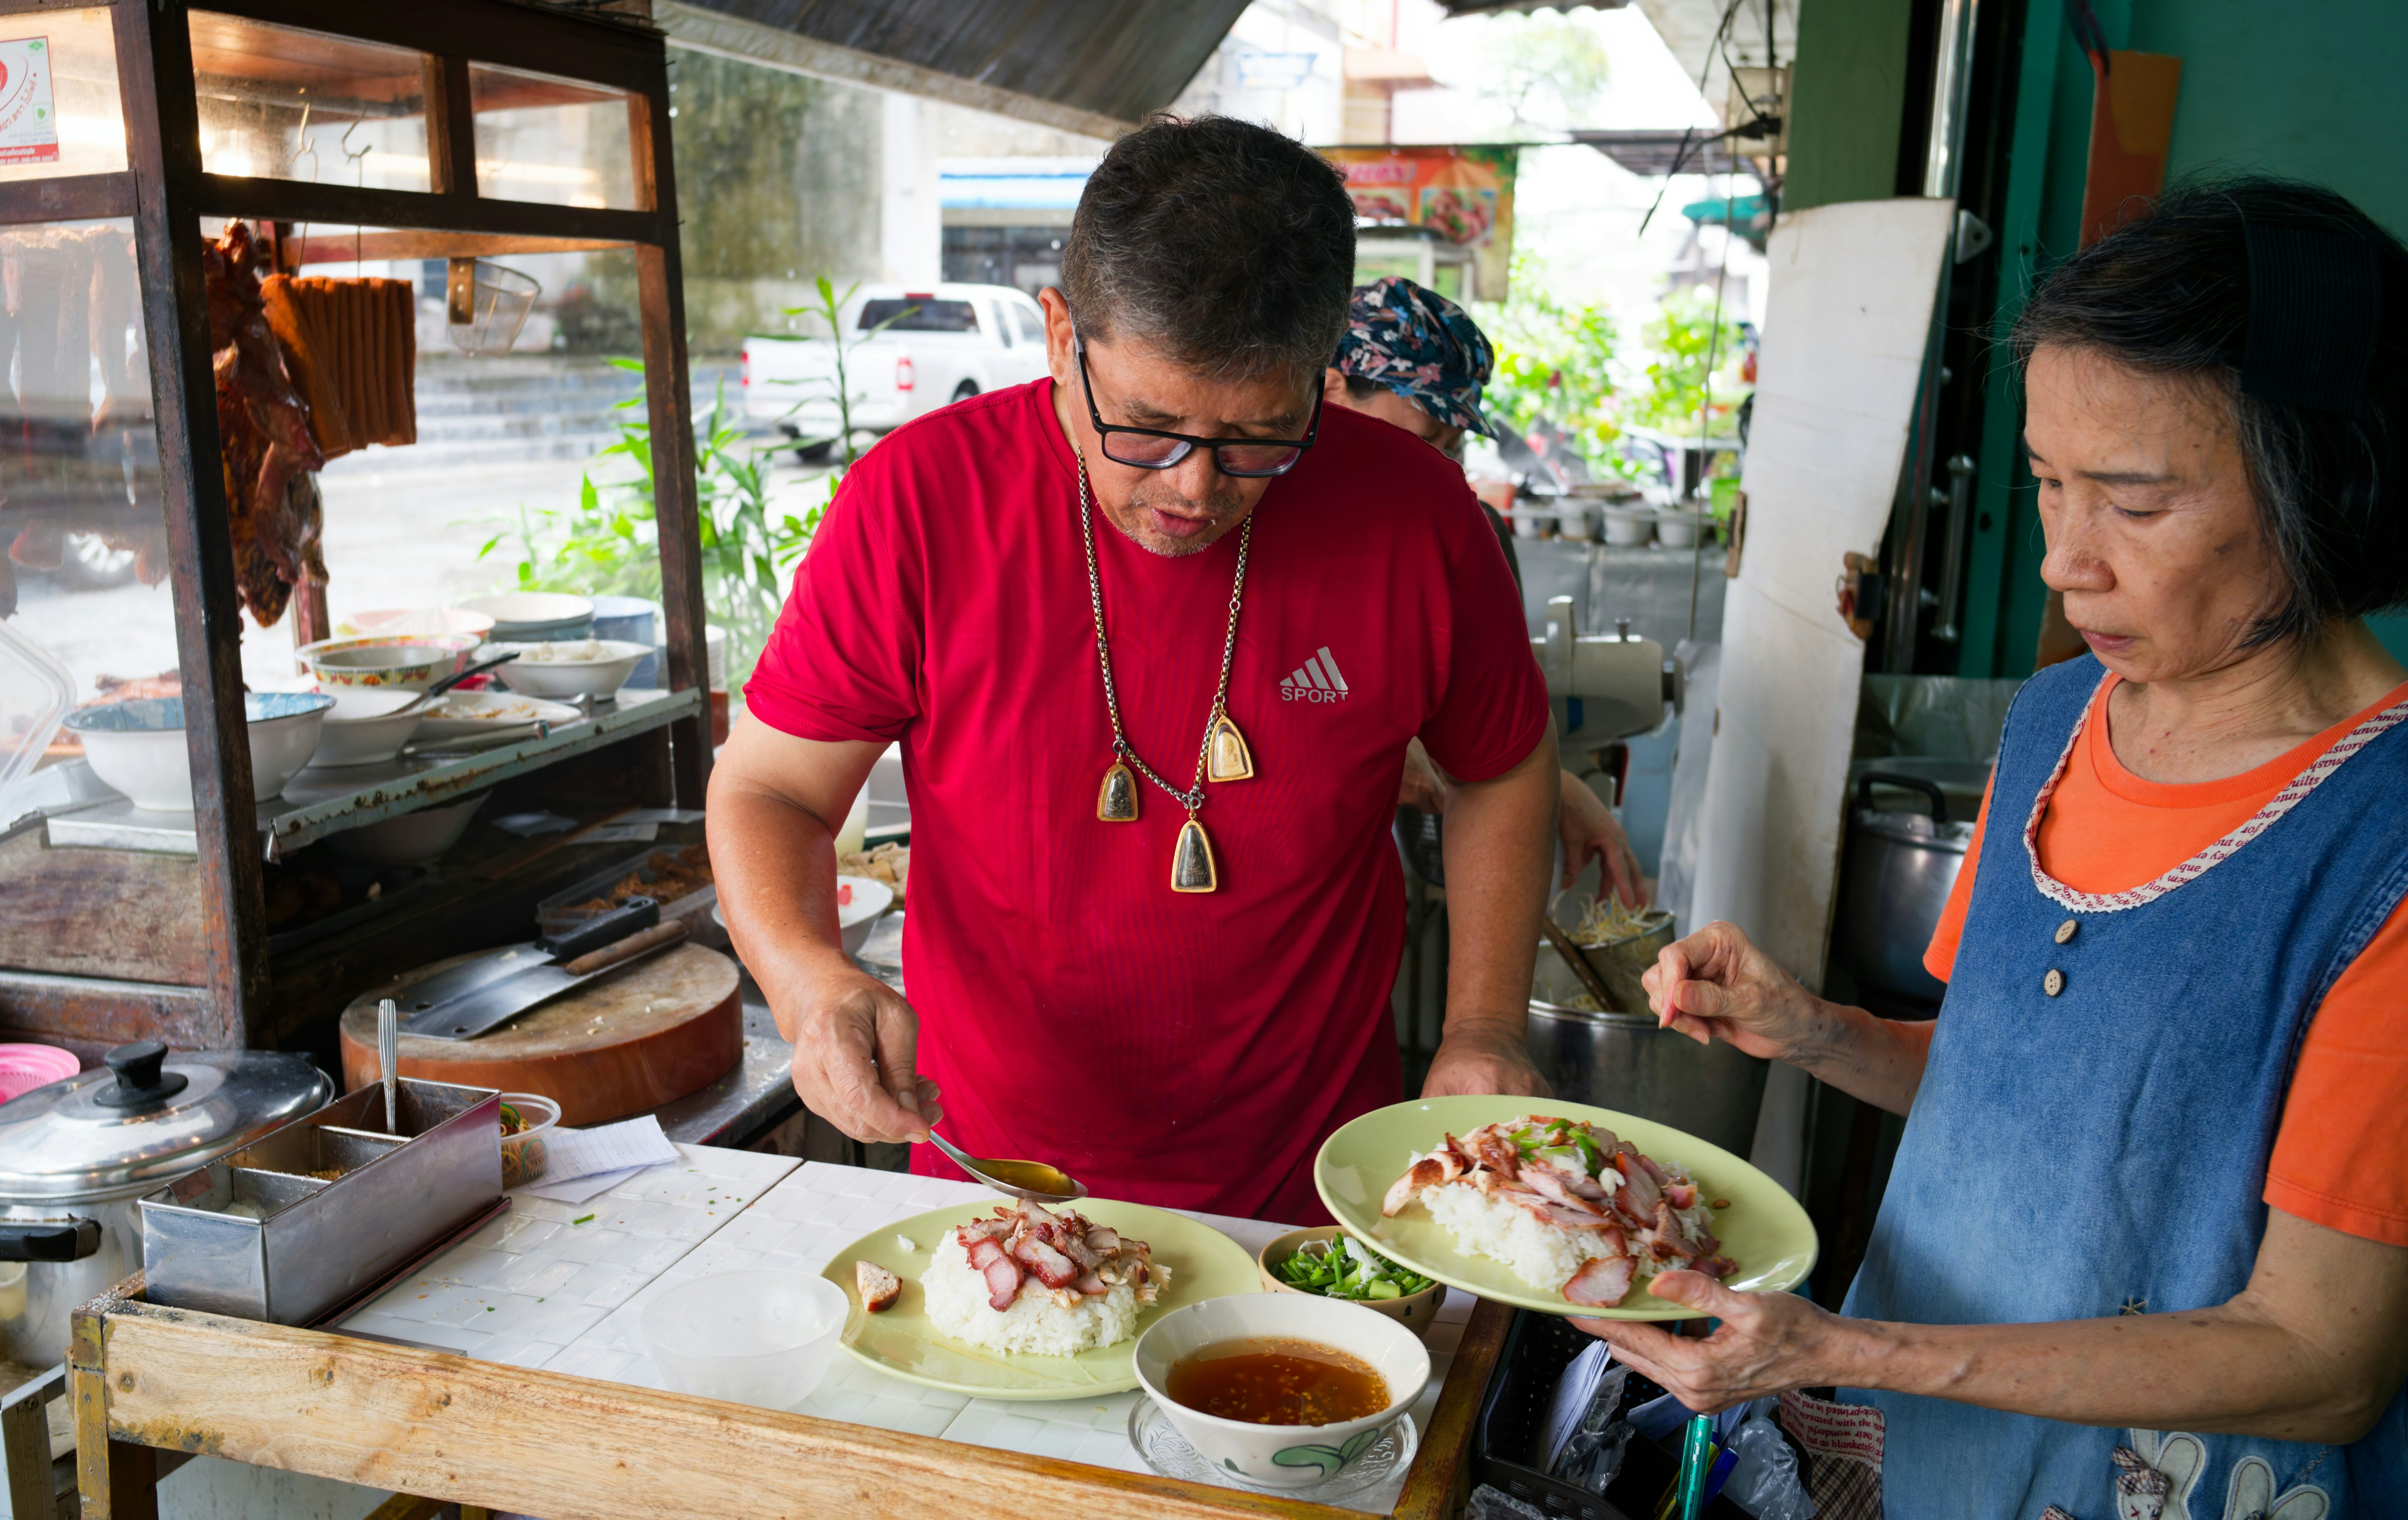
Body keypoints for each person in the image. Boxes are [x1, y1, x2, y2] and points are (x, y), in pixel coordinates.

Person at [1582, 181, 2408, 1515]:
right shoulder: (2055, 724)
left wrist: (1846, 1347)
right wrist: (1813, 1032)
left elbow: (2323, 1360)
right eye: (2047, 486)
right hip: (1938, 1459)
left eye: (2134, 506)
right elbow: (2016, 1101)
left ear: (2327, 486)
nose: (2063, 564)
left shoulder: (2383, 846)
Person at [708, 115, 1558, 1222]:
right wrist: (808, 980)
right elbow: (770, 786)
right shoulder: (919, 503)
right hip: (997, 1178)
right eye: (1148, 429)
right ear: (1062, 334)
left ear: (1320, 371)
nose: (1196, 491)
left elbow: (1501, 764)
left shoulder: (1419, 515)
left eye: (1259, 436)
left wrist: (1484, 1027)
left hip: (1322, 1183)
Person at [1328, 274, 1646, 906]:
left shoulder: (1466, 538)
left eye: (1451, 451)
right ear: (1333, 391)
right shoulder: (1256, 522)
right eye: (1419, 443)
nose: (1439, 475)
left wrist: (1555, 786)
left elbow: (1488, 718)